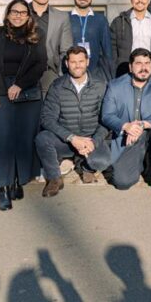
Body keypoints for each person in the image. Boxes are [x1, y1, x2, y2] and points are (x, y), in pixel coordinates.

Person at [0, 0, 47, 210]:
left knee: (23, 141)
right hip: (0, 92)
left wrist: (20, 84)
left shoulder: (36, 36)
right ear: (8, 14)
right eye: (14, 11)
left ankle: (18, 180)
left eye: (23, 12)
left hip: (27, 93)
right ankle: (3, 186)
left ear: (28, 16)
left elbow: (40, 65)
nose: (18, 15)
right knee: (2, 140)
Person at [35, 46, 112, 197]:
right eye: (73, 62)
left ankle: (85, 167)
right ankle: (54, 178)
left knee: (102, 161)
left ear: (87, 62)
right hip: (67, 140)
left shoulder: (100, 85)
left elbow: (106, 119)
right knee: (42, 139)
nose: (77, 65)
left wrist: (94, 142)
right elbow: (47, 118)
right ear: (67, 63)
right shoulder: (57, 86)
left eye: (81, 61)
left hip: (90, 139)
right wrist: (71, 138)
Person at [100, 48, 151, 195]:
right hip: (129, 135)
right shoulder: (115, 85)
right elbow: (107, 115)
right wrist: (126, 126)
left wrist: (140, 125)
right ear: (130, 67)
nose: (144, 67)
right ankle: (142, 163)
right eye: (139, 63)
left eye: (147, 63)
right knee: (122, 182)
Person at [27, 0, 73, 93]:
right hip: (23, 75)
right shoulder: (20, 14)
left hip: (50, 75)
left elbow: (66, 50)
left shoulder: (62, 17)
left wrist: (60, 76)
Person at [68, 0, 112, 80]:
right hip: (70, 73)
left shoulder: (101, 19)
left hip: (95, 75)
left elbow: (107, 51)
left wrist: (108, 77)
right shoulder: (65, 18)